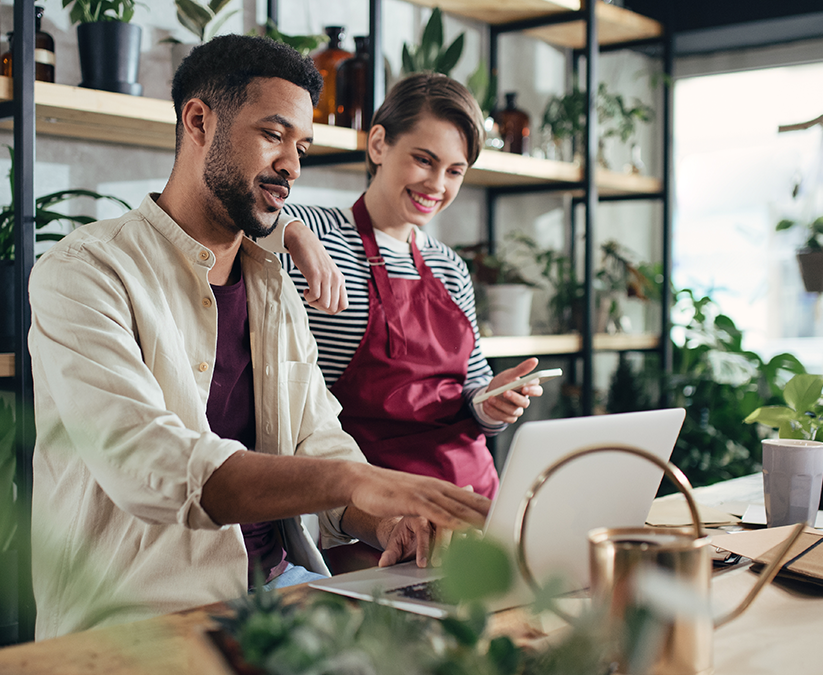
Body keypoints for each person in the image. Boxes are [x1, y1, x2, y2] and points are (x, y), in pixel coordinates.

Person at [27, 35, 490, 640]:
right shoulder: (85, 272)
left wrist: (384, 521)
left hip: (280, 593)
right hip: (142, 623)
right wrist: (359, 480)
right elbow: (149, 465)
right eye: (273, 136)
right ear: (198, 121)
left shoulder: (272, 284)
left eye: (301, 146)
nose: (292, 167)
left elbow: (317, 439)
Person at [267, 72, 545, 509]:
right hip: (371, 507)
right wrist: (294, 233)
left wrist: (492, 404)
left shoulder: (449, 266)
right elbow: (236, 218)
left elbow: (470, 391)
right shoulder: (313, 231)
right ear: (378, 144)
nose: (437, 185)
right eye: (424, 160)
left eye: (455, 171)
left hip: (472, 495)